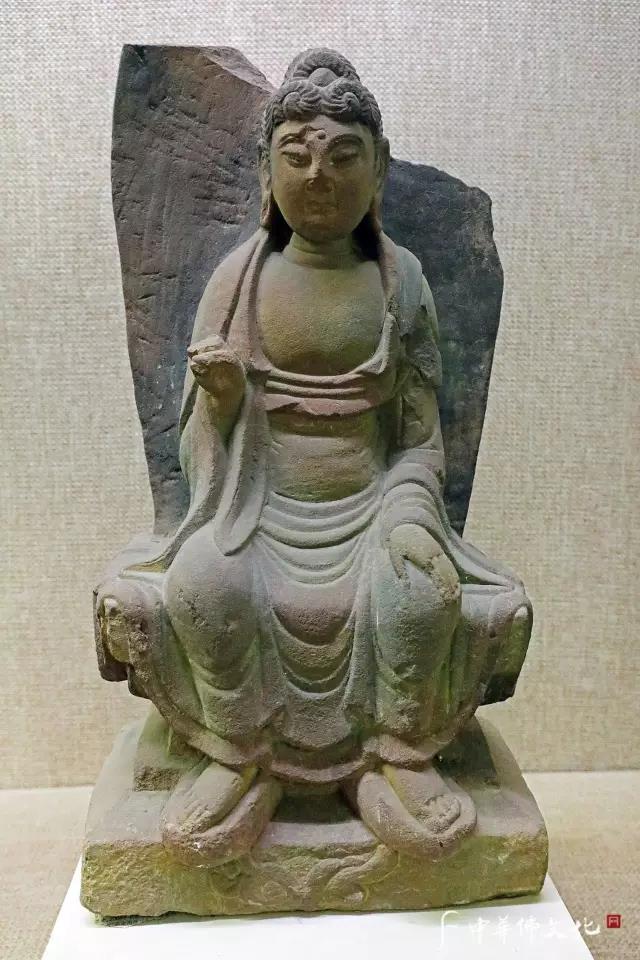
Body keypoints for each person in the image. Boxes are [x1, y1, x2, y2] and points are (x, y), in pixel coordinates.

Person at [95, 47, 531, 866]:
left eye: (342, 156)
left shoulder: (401, 283)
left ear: (380, 170)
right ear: (266, 171)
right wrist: (224, 402)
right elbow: (197, 442)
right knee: (202, 584)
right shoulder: (238, 279)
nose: (318, 176)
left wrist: (410, 514)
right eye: (295, 155)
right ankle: (239, 757)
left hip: (372, 507)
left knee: (420, 593)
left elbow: (420, 435)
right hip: (255, 506)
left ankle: (396, 758)